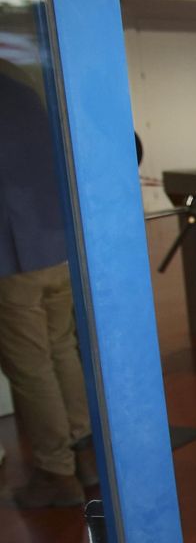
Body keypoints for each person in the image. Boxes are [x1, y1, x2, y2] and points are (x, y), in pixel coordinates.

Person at [0, 74, 94, 509]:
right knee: (62, 348)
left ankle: (56, 473)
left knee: (30, 365)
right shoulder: (22, 87)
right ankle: (86, 454)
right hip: (55, 250)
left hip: (11, 256)